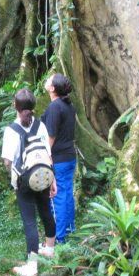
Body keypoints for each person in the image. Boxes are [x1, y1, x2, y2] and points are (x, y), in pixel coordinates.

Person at [1, 88, 57, 276]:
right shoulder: (40, 126)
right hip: (43, 175)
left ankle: (32, 267)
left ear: (14, 106)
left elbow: (8, 161)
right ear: (33, 106)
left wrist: (14, 176)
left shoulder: (11, 130)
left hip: (24, 181)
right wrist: (52, 179)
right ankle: (50, 249)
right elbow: (47, 154)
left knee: (30, 221)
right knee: (46, 211)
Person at [41, 73, 77, 244]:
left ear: (53, 88)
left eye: (49, 79)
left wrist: (45, 159)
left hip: (58, 159)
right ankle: (70, 230)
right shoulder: (67, 105)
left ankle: (59, 238)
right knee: (67, 194)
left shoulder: (55, 107)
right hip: (69, 157)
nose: (46, 80)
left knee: (57, 197)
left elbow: (51, 138)